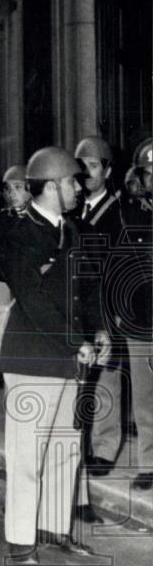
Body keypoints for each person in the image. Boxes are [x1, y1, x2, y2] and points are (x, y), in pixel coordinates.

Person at [0, 146, 111, 564]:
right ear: (49, 186)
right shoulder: (20, 234)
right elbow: (32, 299)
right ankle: (21, 538)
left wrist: (98, 329)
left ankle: (54, 527)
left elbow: (90, 288)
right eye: (71, 182)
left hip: (71, 357)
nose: (78, 188)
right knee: (28, 453)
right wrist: (74, 339)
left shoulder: (75, 230)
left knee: (66, 448)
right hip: (31, 358)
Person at [71, 137, 124, 496]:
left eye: (92, 166)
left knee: (106, 378)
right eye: (81, 166)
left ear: (107, 170)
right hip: (75, 305)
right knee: (78, 380)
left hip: (106, 305)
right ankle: (81, 443)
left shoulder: (119, 212)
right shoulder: (69, 209)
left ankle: (105, 447)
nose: (85, 173)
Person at [117, 140, 152, 491]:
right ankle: (149, 462)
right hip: (140, 318)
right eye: (150, 173)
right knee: (144, 397)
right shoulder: (127, 211)